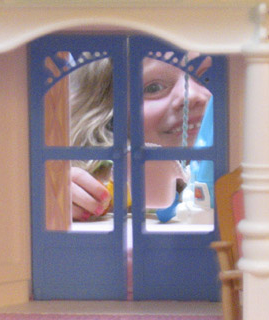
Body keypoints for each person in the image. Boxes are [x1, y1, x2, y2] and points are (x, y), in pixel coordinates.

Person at [67, 53, 211, 221]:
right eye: (154, 88)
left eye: (208, 79)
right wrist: (60, 195)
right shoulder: (110, 180)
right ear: (112, 114)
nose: (190, 96)